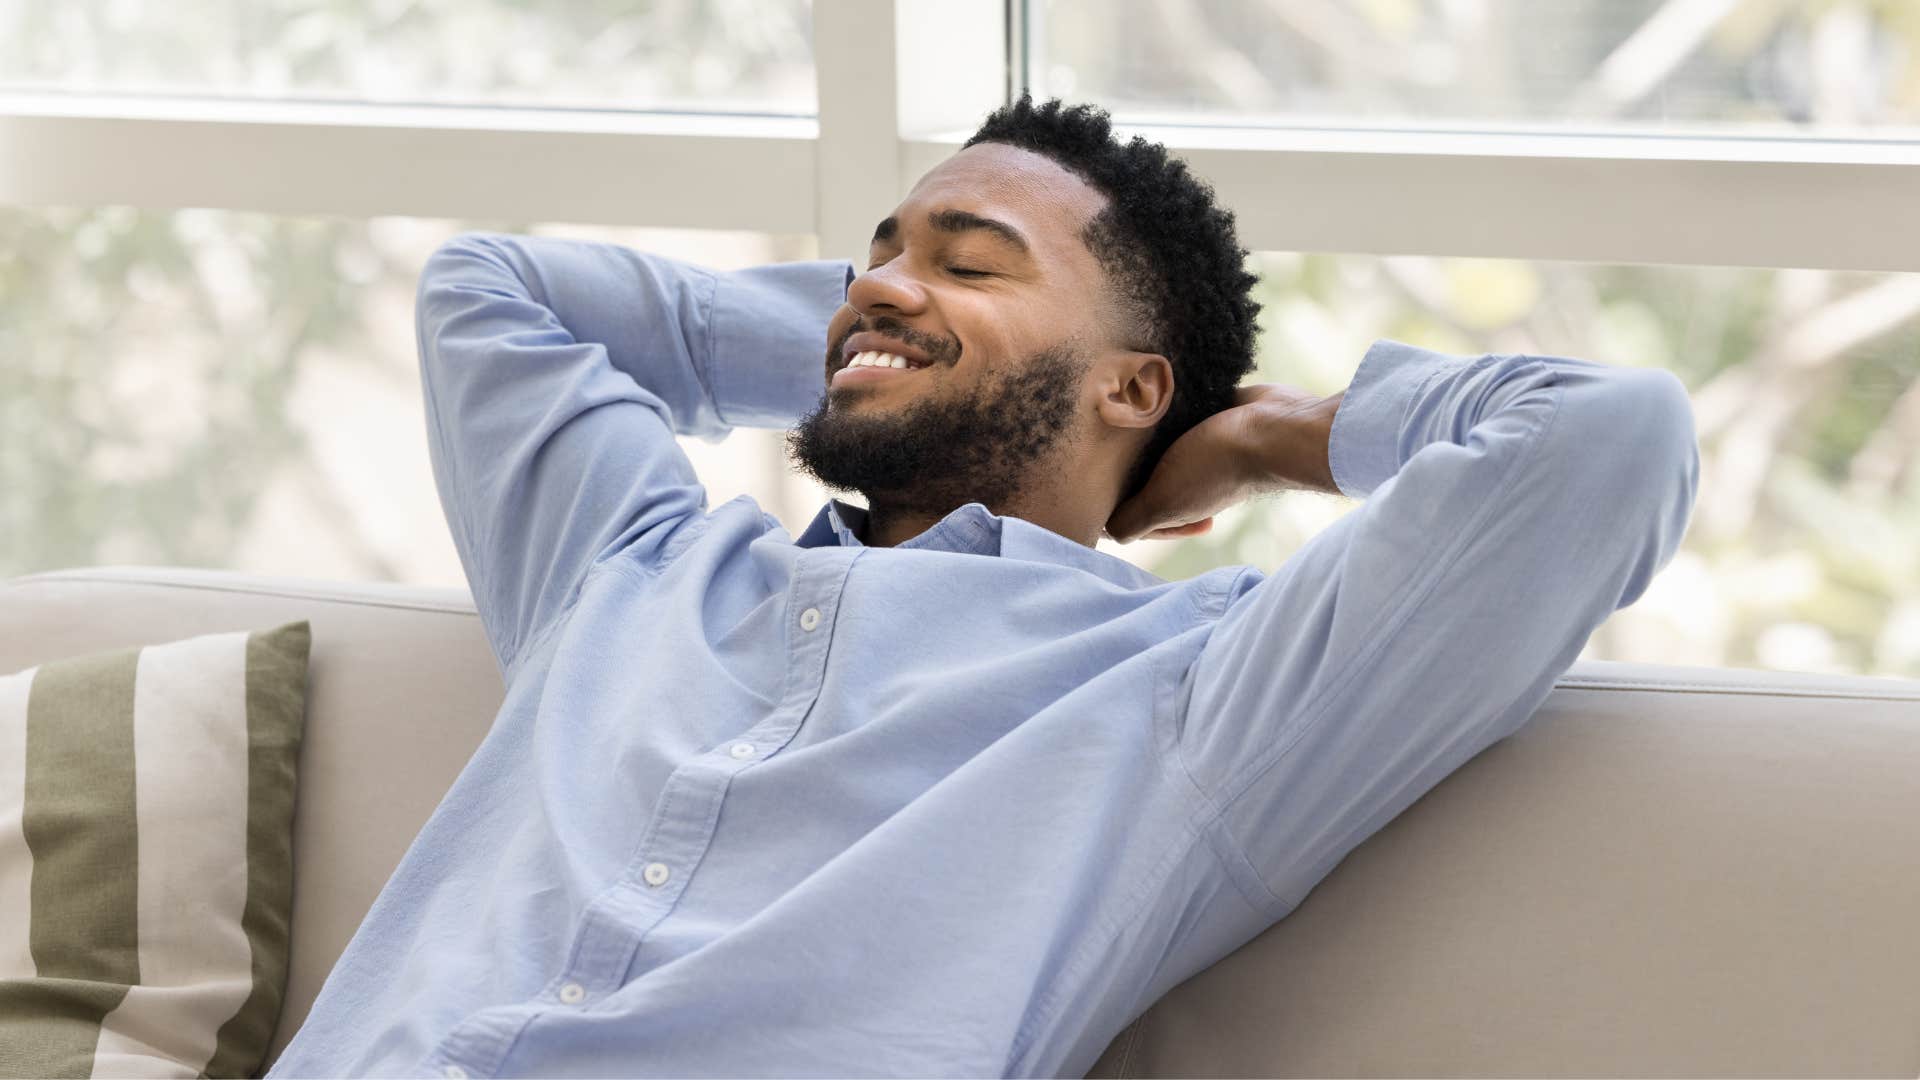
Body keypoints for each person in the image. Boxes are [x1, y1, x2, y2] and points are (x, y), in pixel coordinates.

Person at [267, 94, 1698, 1078]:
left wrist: (1260, 433)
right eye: (876, 253)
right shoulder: (631, 571)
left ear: (1136, 384)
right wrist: (903, 340)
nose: (875, 285)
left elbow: (1608, 444)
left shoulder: (1192, 697)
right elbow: (491, 292)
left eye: (971, 262)